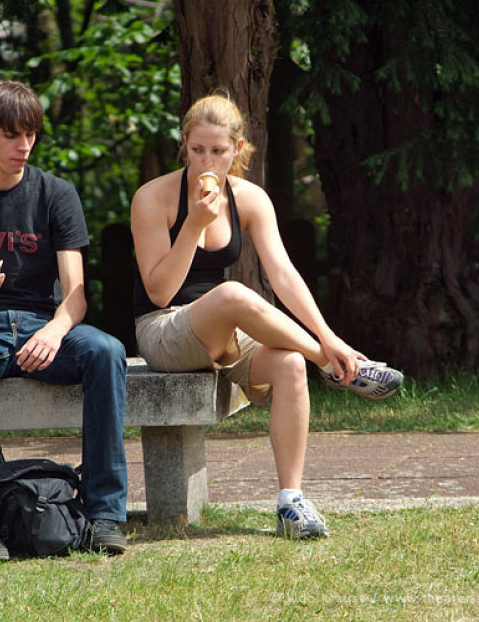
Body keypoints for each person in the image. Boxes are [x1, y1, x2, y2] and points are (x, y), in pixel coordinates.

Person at [130, 93, 403, 540]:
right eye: (197, 150)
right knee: (234, 292)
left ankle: (290, 501)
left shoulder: (250, 199)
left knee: (289, 364)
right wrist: (195, 224)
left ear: (237, 150)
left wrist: (327, 332)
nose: (206, 162)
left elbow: (284, 275)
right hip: (164, 331)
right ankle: (334, 365)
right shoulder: (153, 197)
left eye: (217, 151)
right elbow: (159, 292)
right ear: (184, 144)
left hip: (223, 331)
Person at [0, 79, 129, 559]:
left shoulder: (56, 193)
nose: (24, 145)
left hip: (41, 324)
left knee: (106, 351)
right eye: (12, 134)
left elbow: (76, 295)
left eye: (30, 133)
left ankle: (104, 514)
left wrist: (55, 330)